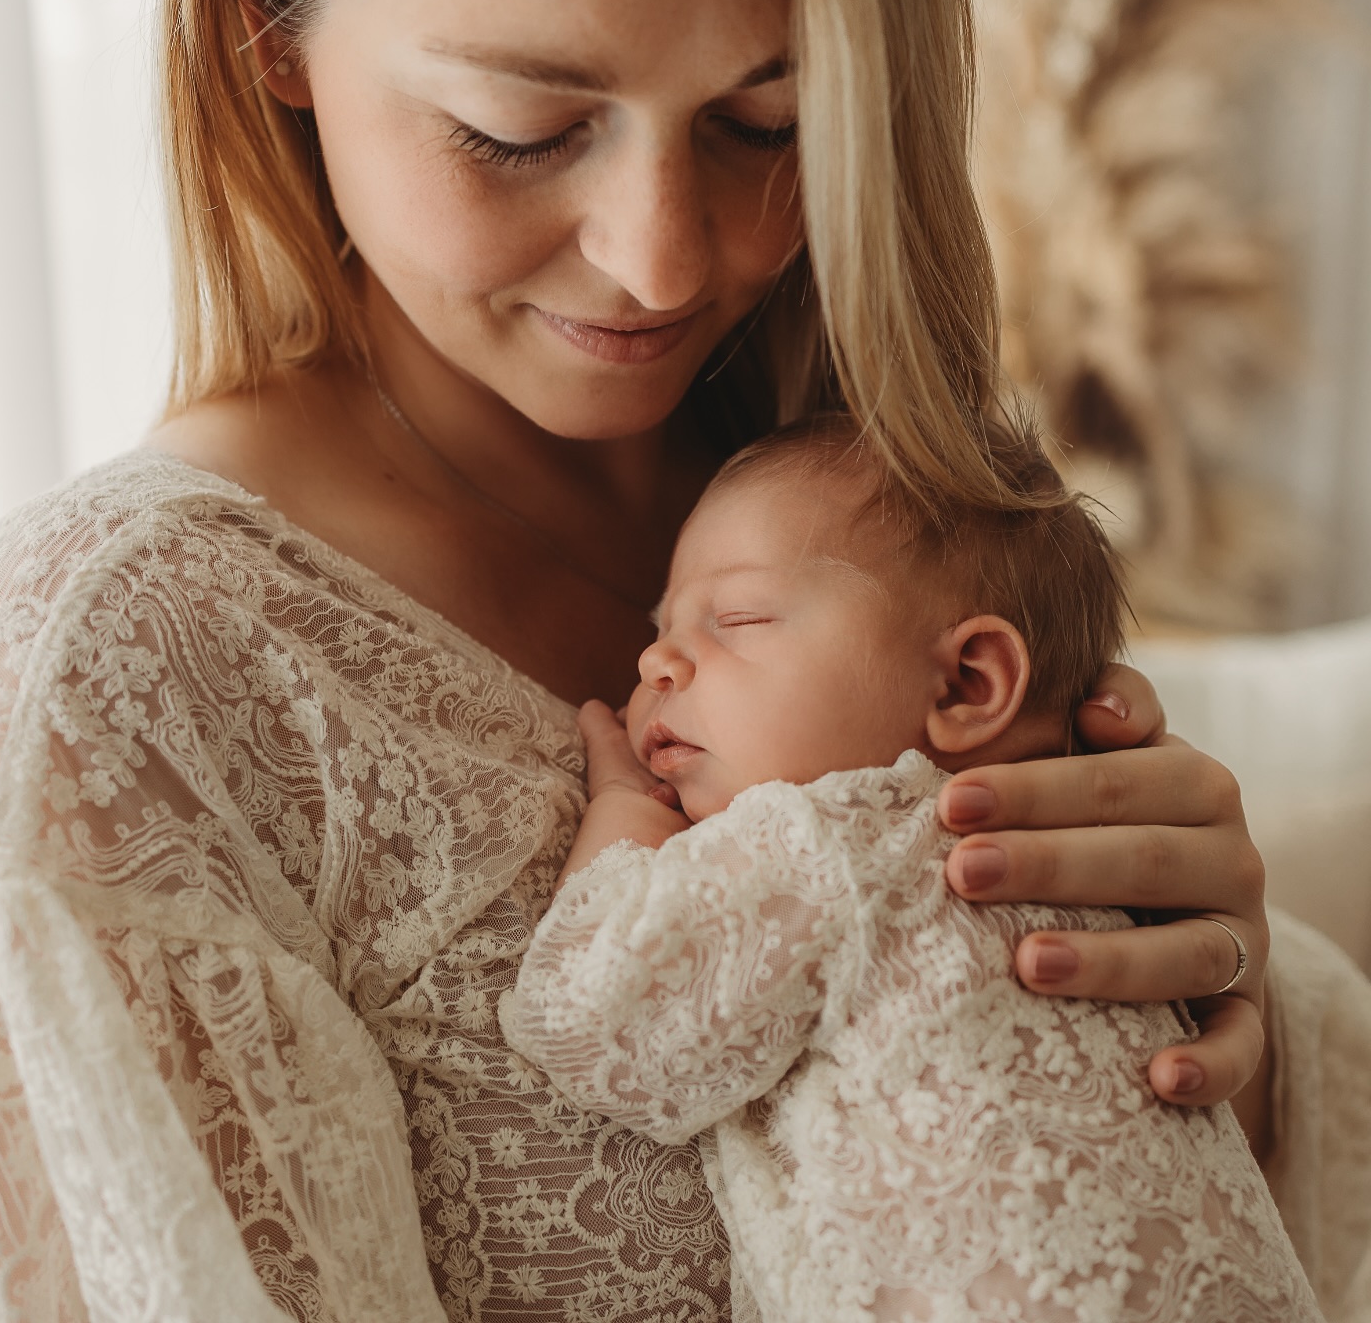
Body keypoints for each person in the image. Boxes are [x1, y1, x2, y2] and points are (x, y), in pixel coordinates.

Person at [0, 0, 1366, 1319]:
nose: (664, 262)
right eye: (523, 129)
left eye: (775, 119)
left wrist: (1233, 1004)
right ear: (263, 15)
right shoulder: (121, 686)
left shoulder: (866, 507)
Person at [502, 417, 1321, 1321]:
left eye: (735, 620)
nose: (656, 659)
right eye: (662, 629)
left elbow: (596, 1026)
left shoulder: (832, 841)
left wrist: (622, 810)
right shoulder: (1084, 859)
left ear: (967, 684)